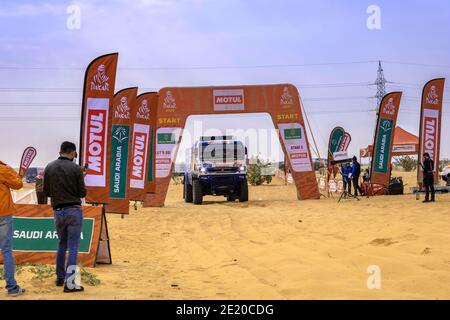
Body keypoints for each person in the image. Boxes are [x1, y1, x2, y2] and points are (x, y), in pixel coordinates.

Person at [44, 142, 87, 293]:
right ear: (72, 153)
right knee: (73, 246)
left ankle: (60, 278)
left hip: (58, 211)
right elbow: (82, 193)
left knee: (61, 244)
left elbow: (47, 192)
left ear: (60, 151)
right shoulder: (76, 169)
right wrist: (81, 177)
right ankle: (70, 283)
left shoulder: (49, 167)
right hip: (73, 210)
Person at [0, 161, 26, 297]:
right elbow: (18, 184)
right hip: (3, 214)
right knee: (6, 251)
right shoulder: (3, 169)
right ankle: (12, 287)